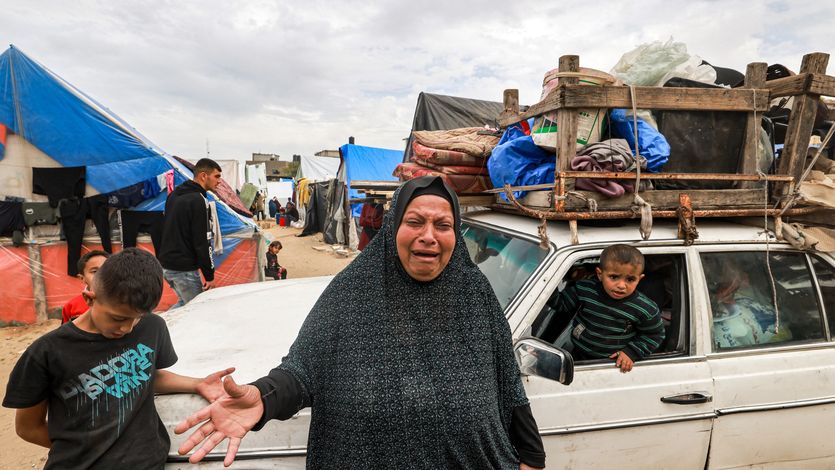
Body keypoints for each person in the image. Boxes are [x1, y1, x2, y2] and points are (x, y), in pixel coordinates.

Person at [174, 176, 546, 469]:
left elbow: (507, 381)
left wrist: (532, 457)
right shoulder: (354, 292)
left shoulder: (473, 293)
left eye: (443, 225)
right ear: (392, 228)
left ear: (455, 234)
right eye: (414, 222)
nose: (429, 236)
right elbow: (303, 370)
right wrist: (263, 398)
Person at [2, 248, 234, 469]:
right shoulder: (46, 352)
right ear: (89, 298)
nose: (127, 328)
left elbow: (144, 374)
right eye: (117, 318)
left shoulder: (153, 327)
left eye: (137, 318)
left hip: (150, 463)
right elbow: (28, 428)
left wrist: (196, 383)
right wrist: (82, 449)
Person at [554, 244, 664, 373]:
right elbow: (561, 304)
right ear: (600, 274)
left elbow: (655, 334)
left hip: (614, 363)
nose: (622, 285)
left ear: (639, 279)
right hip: (578, 354)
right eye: (614, 277)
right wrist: (546, 283)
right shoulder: (585, 289)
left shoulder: (645, 308)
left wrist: (631, 352)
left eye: (630, 279)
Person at [158, 158, 221, 308]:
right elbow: (202, 241)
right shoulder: (198, 200)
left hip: (166, 265)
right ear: (203, 176)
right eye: (217, 176)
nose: (219, 181)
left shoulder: (173, 195)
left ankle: (161, 328)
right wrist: (209, 275)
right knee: (197, 309)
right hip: (183, 269)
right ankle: (159, 329)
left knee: (183, 305)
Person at [61, 250, 110, 324]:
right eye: (95, 271)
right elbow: (66, 333)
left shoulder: (125, 300)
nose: (102, 275)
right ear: (82, 278)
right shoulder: (71, 306)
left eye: (106, 270)